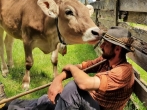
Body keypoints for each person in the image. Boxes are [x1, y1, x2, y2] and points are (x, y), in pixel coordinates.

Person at [1, 26, 135, 110]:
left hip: (98, 107)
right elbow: (82, 67)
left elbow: (84, 83)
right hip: (89, 102)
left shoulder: (123, 72)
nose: (101, 47)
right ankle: (8, 105)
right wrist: (57, 79)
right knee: (48, 100)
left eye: (105, 44)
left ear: (117, 49)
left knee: (73, 89)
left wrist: (70, 67)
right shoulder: (106, 60)